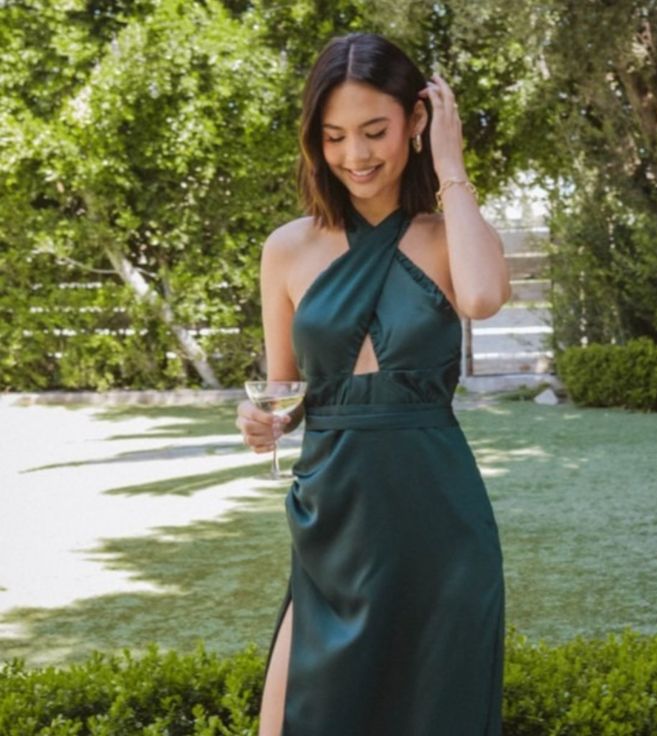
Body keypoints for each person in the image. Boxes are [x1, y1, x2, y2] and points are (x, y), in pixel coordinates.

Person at [235, 30, 511, 736]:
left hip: (438, 525)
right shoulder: (287, 248)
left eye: (374, 131)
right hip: (334, 519)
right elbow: (287, 391)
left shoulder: (450, 235)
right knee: (289, 720)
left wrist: (450, 162)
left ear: (415, 122)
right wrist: (265, 421)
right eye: (333, 137)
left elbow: (481, 298)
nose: (354, 156)